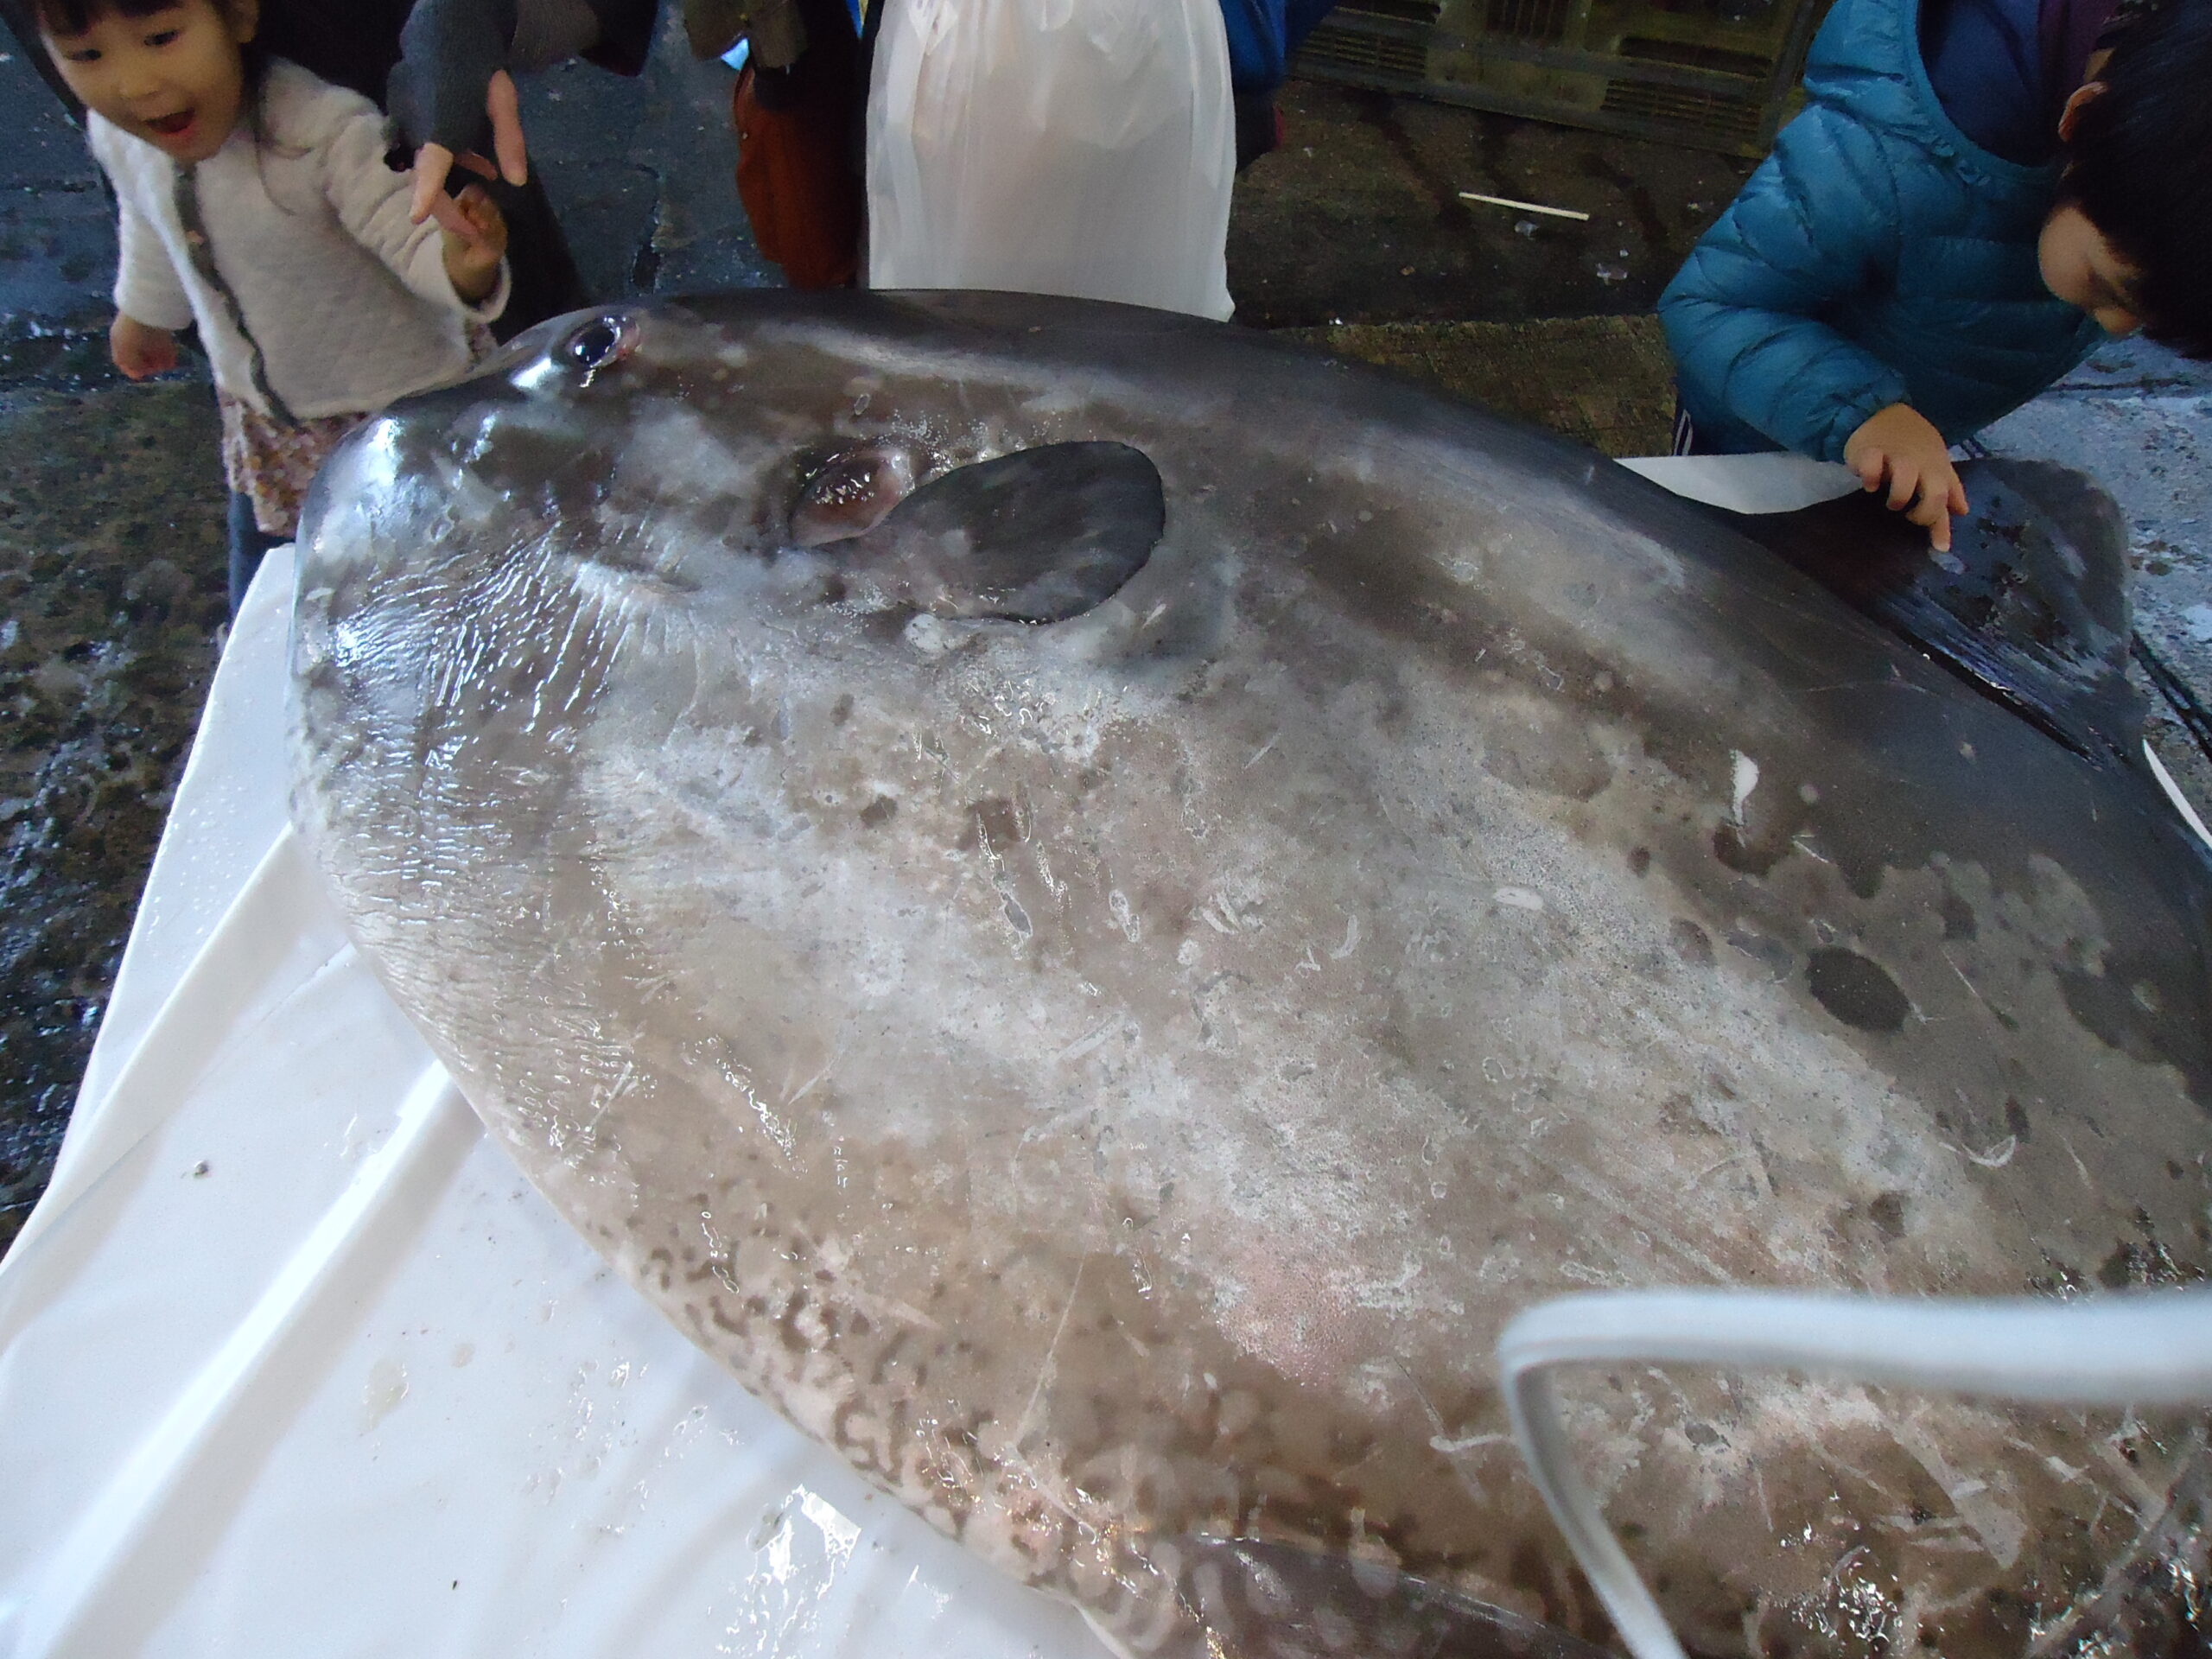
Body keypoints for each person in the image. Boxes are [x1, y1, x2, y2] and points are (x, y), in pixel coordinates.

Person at [1657, 0, 2212, 550]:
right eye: (2108, 288)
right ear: (2083, 120)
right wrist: (1863, 416)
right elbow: (1710, 304)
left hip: (1899, 444)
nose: (2116, 328)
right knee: (1694, 553)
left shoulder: (2141, 195)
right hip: (1747, 434)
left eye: (2145, 321)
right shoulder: (1885, 158)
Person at [37, 0, 511, 611]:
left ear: (236, 15)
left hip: (398, 410)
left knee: (444, 574)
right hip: (271, 425)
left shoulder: (320, 132)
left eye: (161, 37)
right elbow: (152, 224)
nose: (135, 85)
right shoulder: (122, 136)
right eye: (87, 56)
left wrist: (464, 265)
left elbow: (409, 228)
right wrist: (143, 311)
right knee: (275, 593)